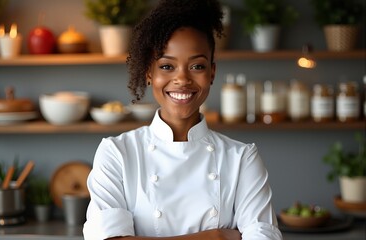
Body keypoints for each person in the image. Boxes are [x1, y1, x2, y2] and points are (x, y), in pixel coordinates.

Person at [83, 0, 282, 239]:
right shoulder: (117, 153)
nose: (182, 79)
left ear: (212, 73)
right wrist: (215, 236)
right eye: (167, 66)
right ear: (149, 73)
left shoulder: (242, 159)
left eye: (197, 66)